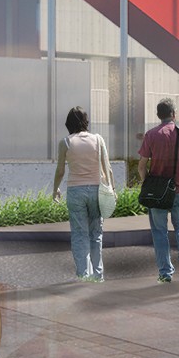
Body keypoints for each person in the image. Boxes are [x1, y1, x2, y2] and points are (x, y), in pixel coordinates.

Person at [51, 106, 114, 279]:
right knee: (96, 234)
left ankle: (84, 275)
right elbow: (107, 168)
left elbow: (60, 171)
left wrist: (55, 188)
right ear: (86, 121)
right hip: (96, 190)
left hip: (75, 191)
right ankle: (98, 275)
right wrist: (112, 189)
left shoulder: (65, 142)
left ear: (68, 124)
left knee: (80, 235)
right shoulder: (98, 140)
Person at [139, 98, 179, 282]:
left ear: (158, 115)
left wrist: (146, 183)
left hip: (157, 194)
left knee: (159, 232)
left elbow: (141, 166)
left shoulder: (151, 135)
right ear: (174, 114)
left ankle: (165, 273)